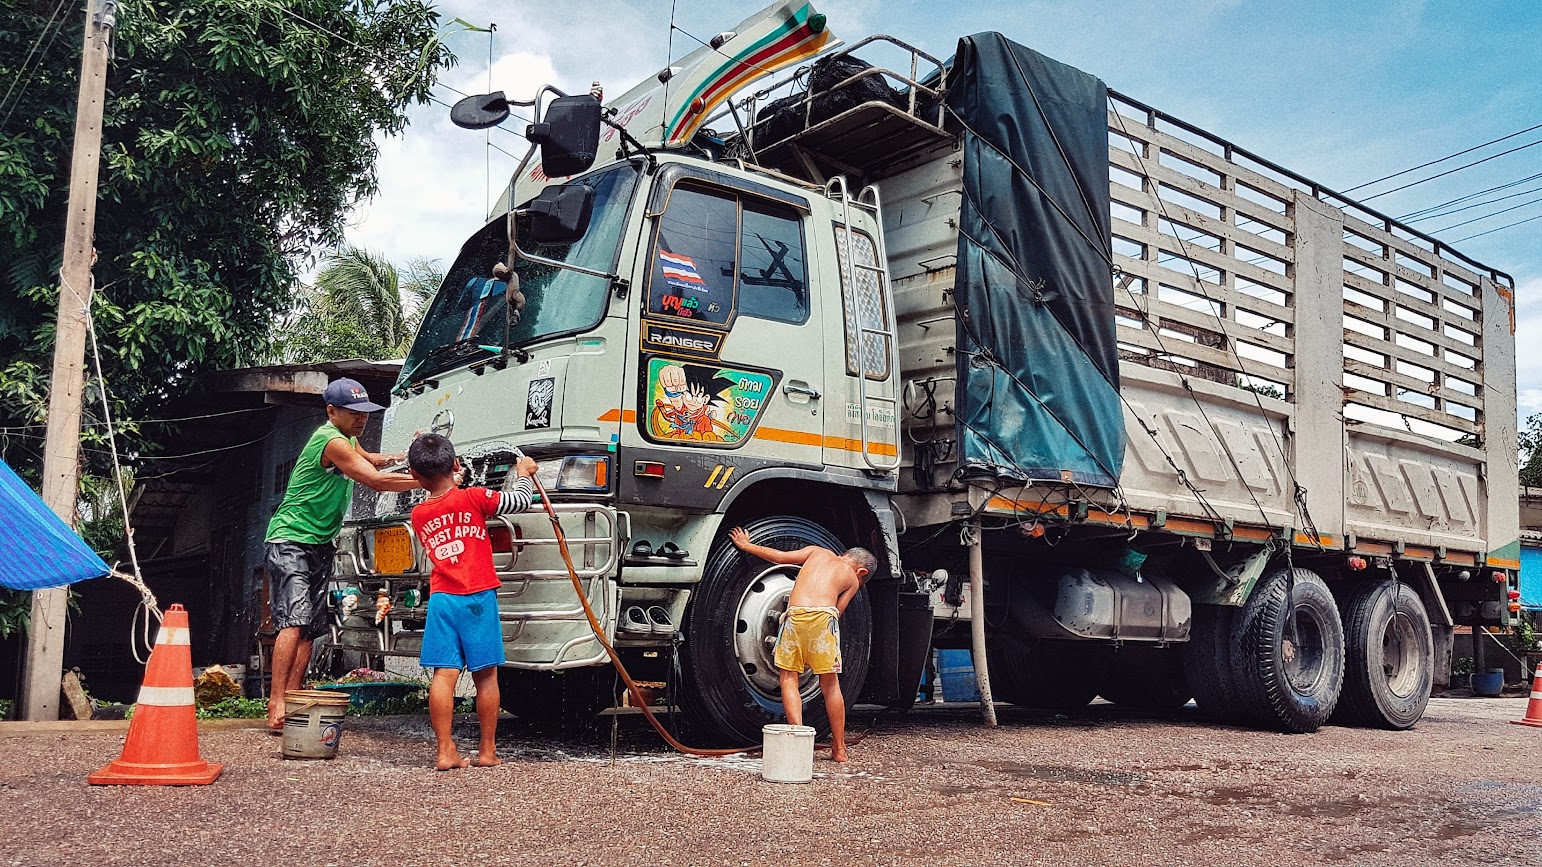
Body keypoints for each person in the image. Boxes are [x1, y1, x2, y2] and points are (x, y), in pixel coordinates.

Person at [264, 378, 419, 731]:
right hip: (290, 538)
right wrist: (430, 478)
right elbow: (374, 480)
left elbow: (373, 461)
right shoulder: (330, 440)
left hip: (321, 541)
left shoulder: (348, 439)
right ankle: (275, 704)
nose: (361, 419)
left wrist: (407, 456)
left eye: (365, 412)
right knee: (294, 621)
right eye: (353, 413)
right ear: (332, 411)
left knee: (310, 629)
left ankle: (294, 699)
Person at [407, 433, 537, 770]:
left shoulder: (419, 513)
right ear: (455, 464)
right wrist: (524, 472)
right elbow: (520, 501)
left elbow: (443, 498)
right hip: (478, 596)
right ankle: (487, 749)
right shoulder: (475, 498)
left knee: (444, 675)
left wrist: (450, 479)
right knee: (486, 676)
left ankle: (444, 750)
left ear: (414, 476)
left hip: (442, 600)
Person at [727, 527, 876, 762]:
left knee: (788, 677)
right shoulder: (852, 579)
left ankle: (798, 740)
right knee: (829, 684)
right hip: (822, 620)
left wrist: (746, 545)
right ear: (861, 571)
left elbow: (779, 557)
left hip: (793, 617)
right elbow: (837, 611)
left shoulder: (816, 552)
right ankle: (839, 748)